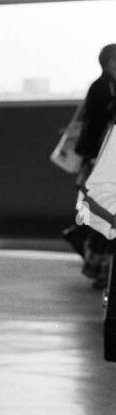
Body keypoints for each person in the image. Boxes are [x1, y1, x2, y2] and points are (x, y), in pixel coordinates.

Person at [74, 43, 116, 281]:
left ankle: (101, 269)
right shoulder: (103, 88)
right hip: (100, 159)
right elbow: (97, 125)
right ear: (111, 62)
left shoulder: (105, 87)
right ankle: (101, 269)